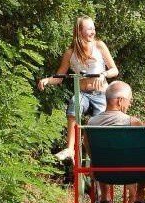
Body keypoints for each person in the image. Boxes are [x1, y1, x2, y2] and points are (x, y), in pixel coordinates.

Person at [38, 15, 118, 162]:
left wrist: (103, 74)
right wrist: (47, 80)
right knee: (75, 103)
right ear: (79, 31)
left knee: (97, 126)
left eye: (94, 28)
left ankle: (98, 156)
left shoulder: (99, 46)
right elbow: (60, 76)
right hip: (83, 94)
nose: (93, 31)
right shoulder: (71, 53)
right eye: (89, 29)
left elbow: (114, 70)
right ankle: (70, 149)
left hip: (101, 94)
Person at [86, 81, 141, 203]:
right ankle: (136, 198)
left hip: (102, 173)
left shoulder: (91, 123)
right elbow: (141, 151)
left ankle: (105, 198)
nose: (130, 103)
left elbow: (89, 151)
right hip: (129, 173)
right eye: (129, 100)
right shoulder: (133, 122)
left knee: (99, 158)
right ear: (120, 101)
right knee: (135, 157)